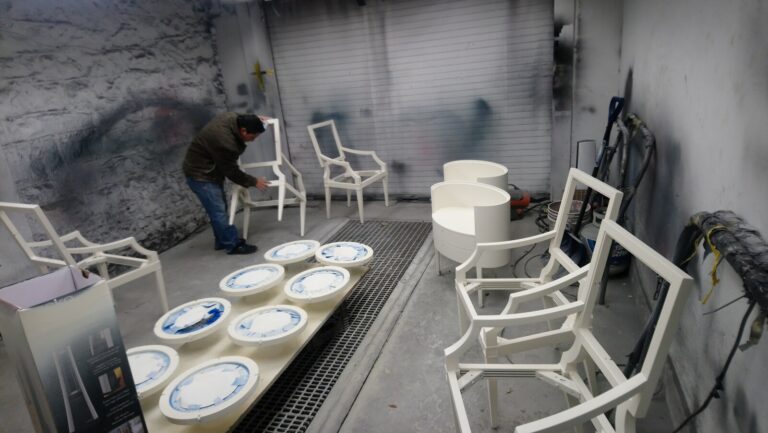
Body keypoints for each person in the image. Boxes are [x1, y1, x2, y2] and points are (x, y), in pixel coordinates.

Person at [182, 112, 270, 255]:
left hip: (208, 170)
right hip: (201, 175)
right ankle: (233, 245)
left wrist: (255, 118)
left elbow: (241, 115)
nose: (253, 140)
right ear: (243, 130)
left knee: (219, 209)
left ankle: (221, 241)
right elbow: (231, 171)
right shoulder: (226, 143)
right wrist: (254, 181)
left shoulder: (231, 118)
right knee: (218, 212)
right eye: (252, 136)